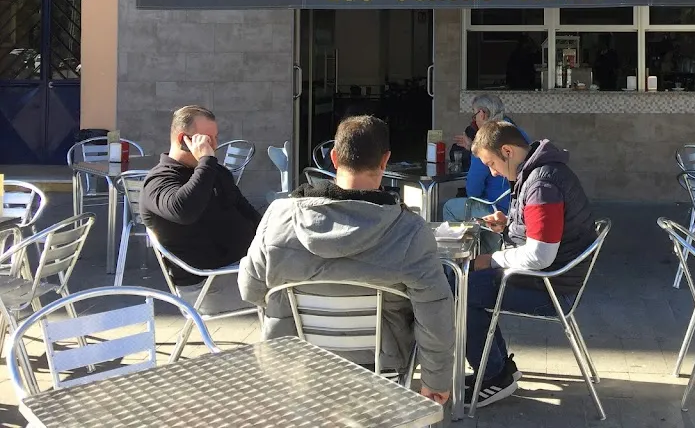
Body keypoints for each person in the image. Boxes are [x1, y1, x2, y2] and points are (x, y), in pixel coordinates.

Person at [238, 115, 454, 407]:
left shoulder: (278, 217)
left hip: (296, 364)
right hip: (381, 366)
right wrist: (435, 381)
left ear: (334, 158)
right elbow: (435, 316)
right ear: (385, 161)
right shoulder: (410, 231)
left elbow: (249, 290)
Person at [458, 120, 596, 408]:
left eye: (492, 163)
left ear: (507, 150)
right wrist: (508, 227)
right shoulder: (538, 172)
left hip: (552, 289)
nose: (493, 171)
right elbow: (542, 234)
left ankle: (494, 377)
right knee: (469, 284)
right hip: (550, 278)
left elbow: (540, 255)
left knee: (461, 291)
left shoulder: (542, 183)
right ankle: (495, 369)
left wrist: (492, 258)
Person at [140, 105, 261, 314]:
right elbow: (185, 211)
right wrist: (206, 161)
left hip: (242, 269)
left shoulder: (215, 173)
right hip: (206, 286)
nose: (213, 146)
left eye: (215, 138)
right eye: (205, 139)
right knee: (293, 294)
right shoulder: (158, 181)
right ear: (182, 140)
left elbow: (247, 212)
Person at [443, 95, 529, 251]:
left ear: (482, 114)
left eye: (474, 115)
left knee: (450, 207)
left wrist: (477, 152)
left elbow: (473, 190)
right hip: (518, 204)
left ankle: (455, 265)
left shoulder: (486, 140)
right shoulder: (518, 132)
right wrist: (473, 149)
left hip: (497, 208)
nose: (474, 120)